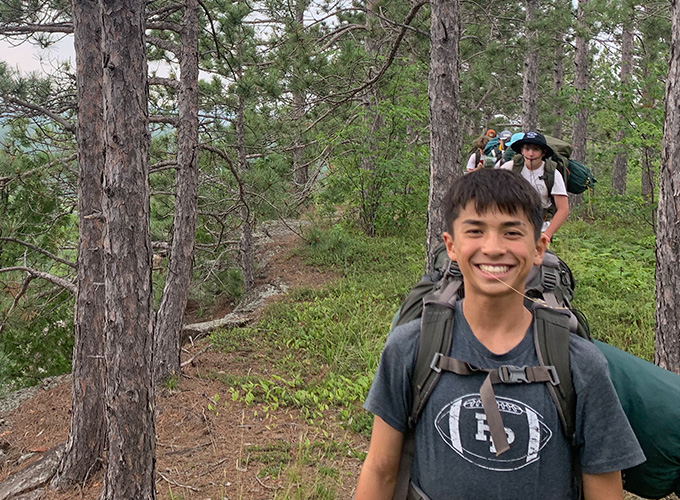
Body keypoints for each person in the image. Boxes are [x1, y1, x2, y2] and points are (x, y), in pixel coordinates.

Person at [354, 169, 644, 500]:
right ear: (451, 245)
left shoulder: (578, 363)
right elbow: (379, 470)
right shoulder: (410, 348)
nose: (492, 248)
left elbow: (604, 487)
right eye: (475, 231)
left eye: (511, 232)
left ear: (539, 247)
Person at [498, 131, 569, 243]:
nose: (531, 154)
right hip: (510, 229)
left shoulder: (552, 173)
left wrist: (547, 235)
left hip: (540, 229)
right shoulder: (509, 168)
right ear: (521, 150)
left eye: (535, 149)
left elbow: (563, 209)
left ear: (543, 152)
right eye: (527, 149)